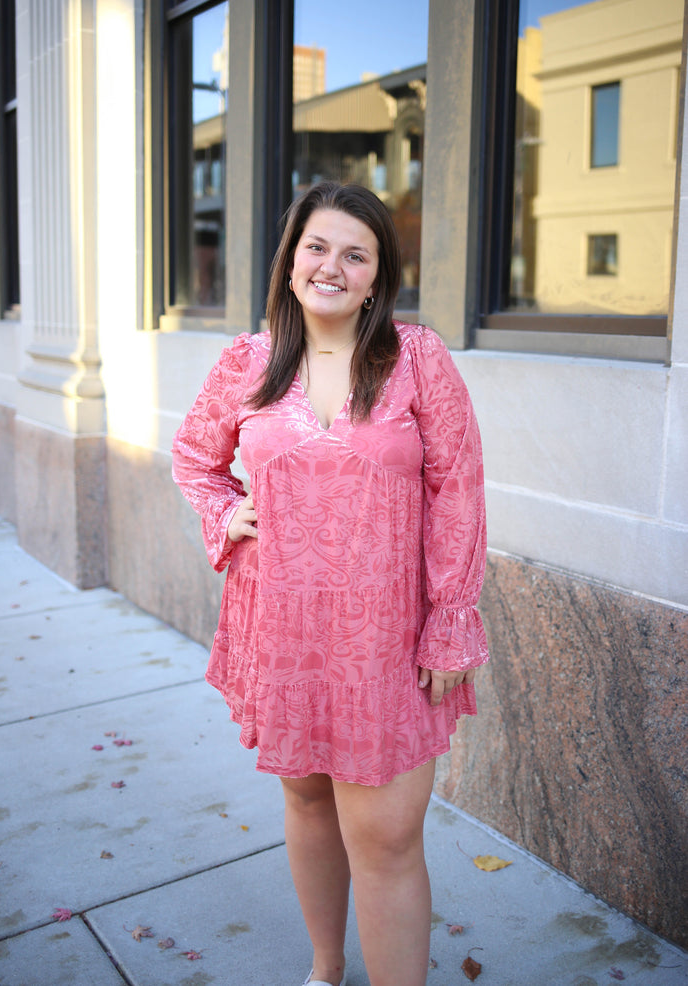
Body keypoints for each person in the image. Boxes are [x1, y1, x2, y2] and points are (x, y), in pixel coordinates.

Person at [172, 181, 488, 986]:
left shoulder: (418, 360)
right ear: (289, 263)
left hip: (385, 639)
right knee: (310, 805)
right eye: (317, 247)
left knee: (384, 837)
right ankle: (324, 969)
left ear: (378, 278)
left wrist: (451, 618)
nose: (332, 266)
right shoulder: (246, 362)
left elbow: (459, 489)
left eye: (356, 254)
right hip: (280, 630)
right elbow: (195, 460)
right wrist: (226, 515)